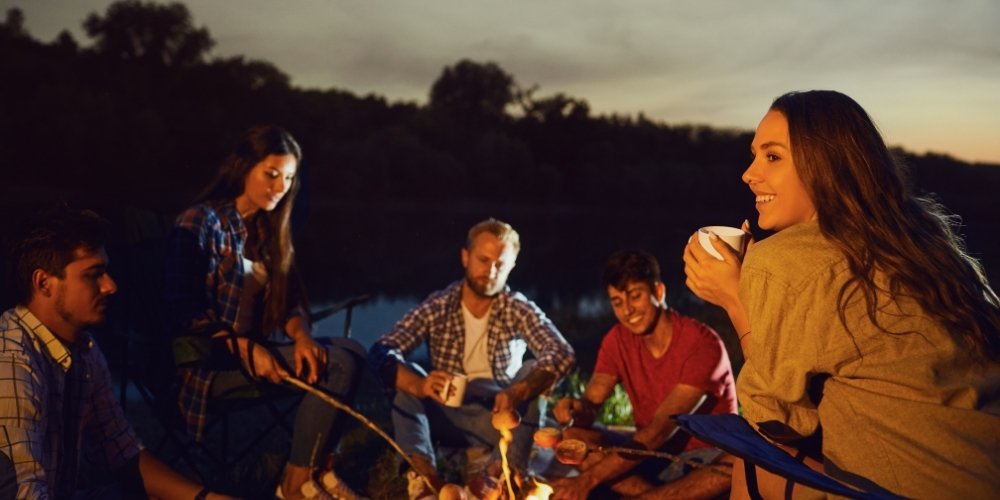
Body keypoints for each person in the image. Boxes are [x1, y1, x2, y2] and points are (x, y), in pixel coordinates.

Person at [683, 90, 1000, 498]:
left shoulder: (785, 260)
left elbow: (775, 423)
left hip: (905, 489)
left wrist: (735, 297)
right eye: (754, 155)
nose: (748, 173)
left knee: (753, 458)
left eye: (772, 156)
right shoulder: (923, 241)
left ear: (825, 167)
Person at [163, 125, 364, 500]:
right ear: (243, 167)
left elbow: (290, 304)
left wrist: (302, 337)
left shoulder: (267, 230)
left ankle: (319, 473)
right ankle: (295, 486)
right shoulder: (201, 221)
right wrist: (243, 348)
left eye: (288, 178)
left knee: (353, 350)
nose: (279, 186)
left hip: (254, 355)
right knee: (339, 364)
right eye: (271, 174)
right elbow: (182, 311)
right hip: (207, 365)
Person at [0, 205, 234, 499]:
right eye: (94, 275)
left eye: (106, 272)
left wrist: (206, 498)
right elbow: (22, 492)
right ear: (43, 283)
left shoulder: (83, 350)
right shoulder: (12, 364)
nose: (110, 286)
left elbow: (122, 451)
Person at [368, 218, 575, 498]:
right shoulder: (440, 304)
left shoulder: (517, 307)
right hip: (446, 414)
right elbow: (381, 351)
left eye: (500, 264)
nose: (490, 271)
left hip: (497, 418)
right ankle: (425, 480)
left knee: (531, 370)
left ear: (511, 267)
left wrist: (517, 391)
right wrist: (420, 384)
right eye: (483, 260)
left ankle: (495, 479)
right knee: (408, 379)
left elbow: (562, 352)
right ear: (465, 257)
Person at [550, 250, 737, 500]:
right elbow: (591, 403)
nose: (628, 310)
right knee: (573, 438)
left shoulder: (701, 343)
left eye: (635, 296)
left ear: (658, 292)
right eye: (617, 302)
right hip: (651, 455)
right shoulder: (617, 340)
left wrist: (586, 481)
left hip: (706, 457)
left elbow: (661, 430)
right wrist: (575, 410)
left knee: (739, 461)